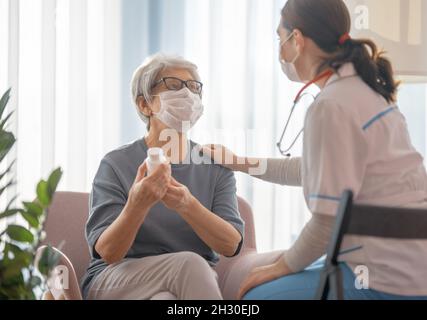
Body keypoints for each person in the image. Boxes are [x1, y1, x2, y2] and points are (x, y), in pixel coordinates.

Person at [203, 0, 427, 300]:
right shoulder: (365, 92)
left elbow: (326, 222)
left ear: (297, 40)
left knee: (255, 297)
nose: (279, 51)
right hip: (409, 263)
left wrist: (276, 268)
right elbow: (314, 169)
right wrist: (239, 162)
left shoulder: (331, 106)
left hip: (384, 276)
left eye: (279, 38)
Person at [81, 53, 244, 300]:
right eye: (174, 85)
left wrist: (186, 204)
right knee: (189, 264)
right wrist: (138, 204)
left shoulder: (215, 166)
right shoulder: (116, 164)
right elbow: (108, 252)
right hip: (116, 278)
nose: (188, 94)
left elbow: (231, 245)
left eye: (193, 87)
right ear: (144, 104)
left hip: (186, 282)